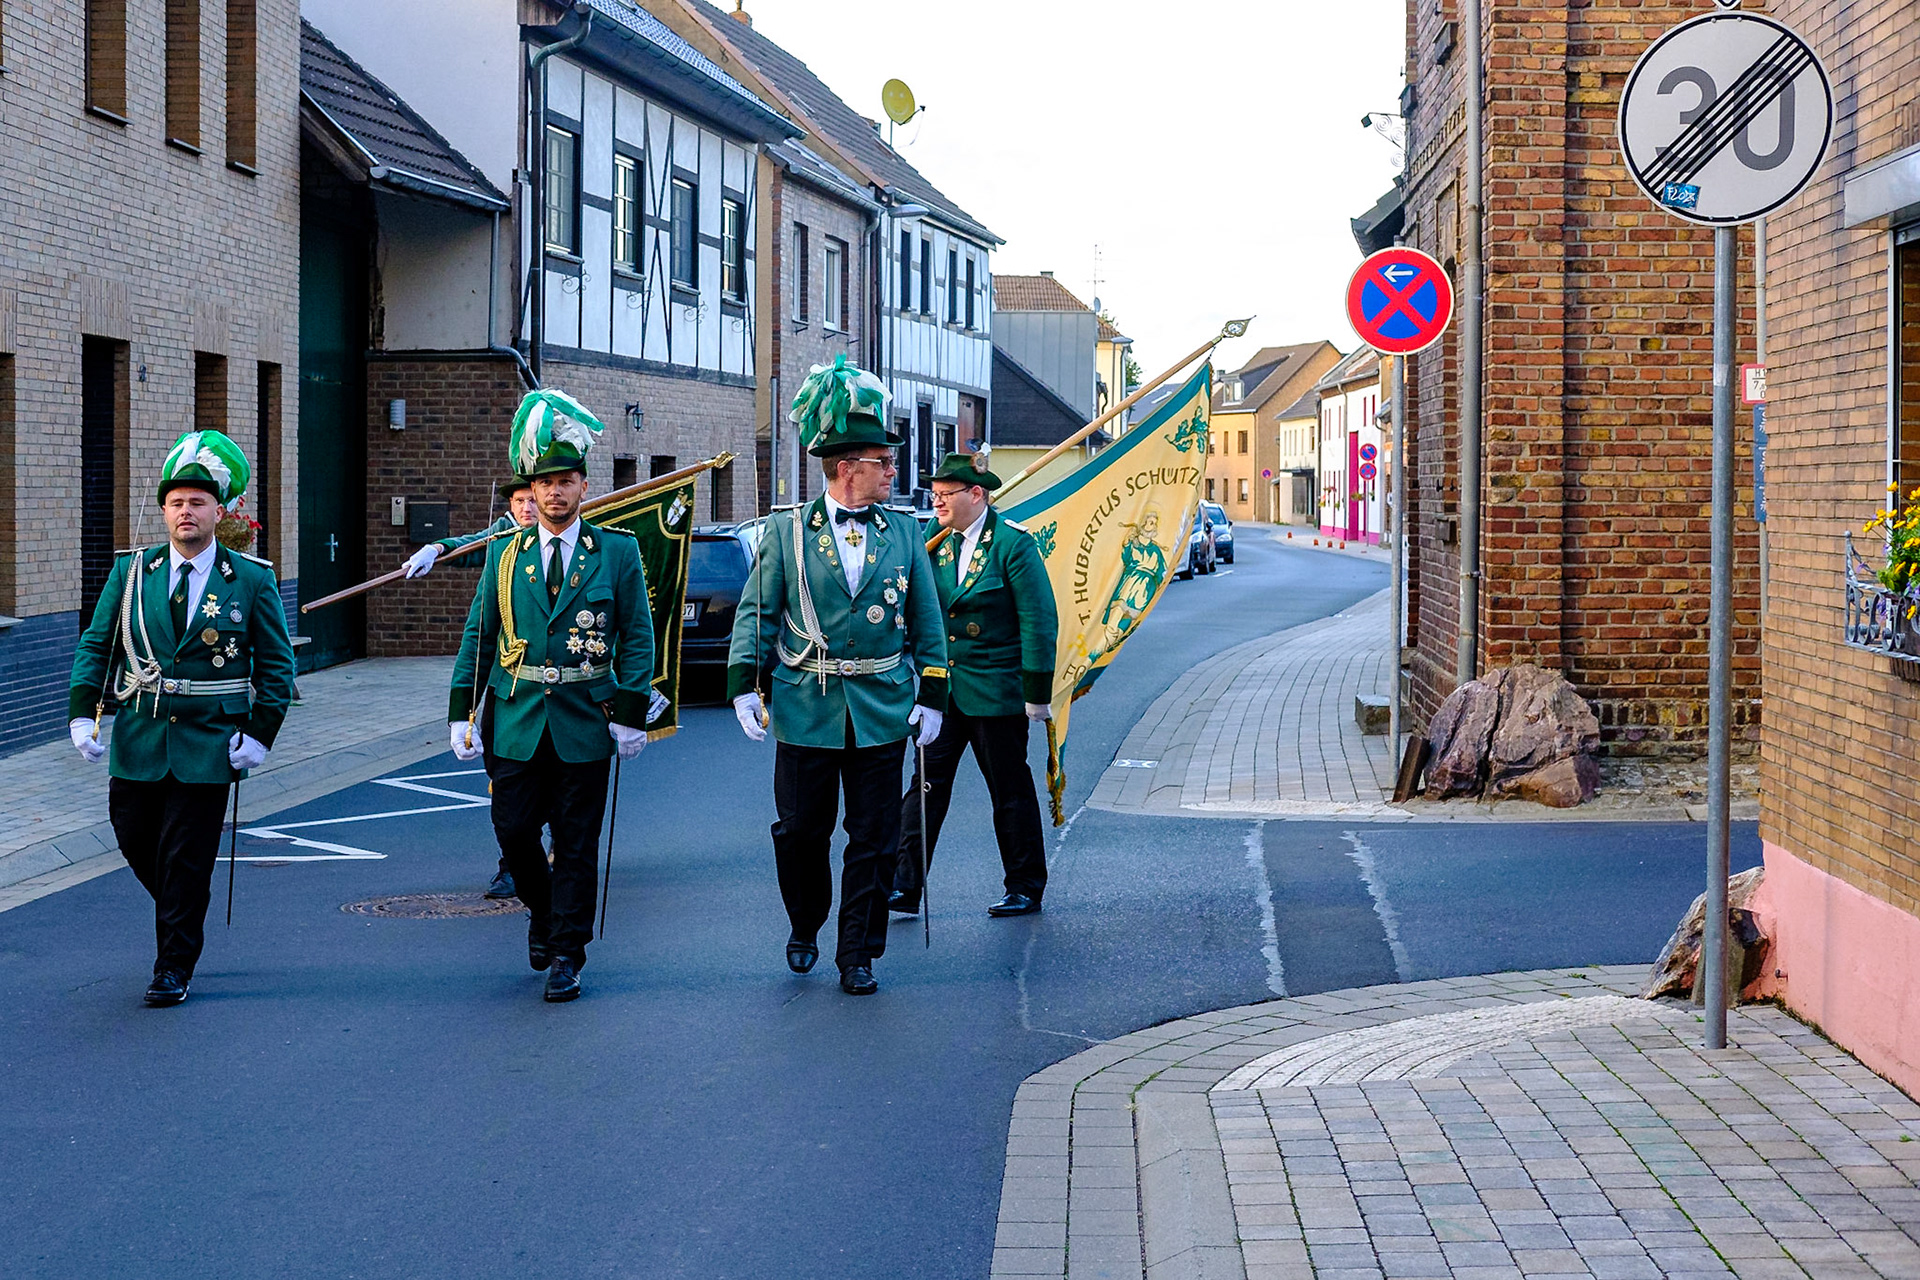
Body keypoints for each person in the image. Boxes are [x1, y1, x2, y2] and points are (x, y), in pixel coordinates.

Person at [728, 355, 947, 996]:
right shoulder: (786, 532)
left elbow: (927, 622)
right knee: (801, 833)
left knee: (874, 839)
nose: (893, 470)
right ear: (847, 468)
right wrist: (745, 683)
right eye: (884, 461)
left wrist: (931, 695)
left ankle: (859, 953)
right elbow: (757, 613)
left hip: (880, 706)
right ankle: (805, 922)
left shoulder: (904, 535)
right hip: (806, 705)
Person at [68, 430, 296, 1007]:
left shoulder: (250, 578)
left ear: (219, 511)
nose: (186, 512)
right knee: (134, 835)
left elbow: (277, 665)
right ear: (164, 510)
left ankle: (173, 966)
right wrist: (81, 713)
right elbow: (98, 646)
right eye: (176, 502)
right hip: (140, 735)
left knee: (187, 856)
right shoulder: (132, 572)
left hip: (209, 739)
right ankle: (182, 910)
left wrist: (261, 734)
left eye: (198, 502)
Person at [448, 390, 654, 1003]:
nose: (555, 493)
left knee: (577, 840)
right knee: (513, 831)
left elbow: (637, 637)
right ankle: (543, 913)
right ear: (530, 493)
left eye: (566, 482)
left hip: (586, 718)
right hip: (516, 716)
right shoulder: (504, 557)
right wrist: (461, 711)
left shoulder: (616, 552)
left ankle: (567, 950)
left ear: (584, 488)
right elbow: (479, 637)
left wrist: (632, 713)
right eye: (544, 484)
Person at [891, 450, 1058, 919]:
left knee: (1008, 791)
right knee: (924, 787)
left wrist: (1036, 695)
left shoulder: (1012, 545)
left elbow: (1038, 621)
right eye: (935, 494)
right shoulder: (934, 540)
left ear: (977, 494)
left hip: (995, 693)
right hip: (942, 692)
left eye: (946, 495)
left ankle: (1024, 885)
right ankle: (904, 885)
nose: (937, 502)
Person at [399, 475, 538, 901]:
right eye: (520, 501)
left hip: (553, 686)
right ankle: (513, 862)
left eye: (533, 500)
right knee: (505, 780)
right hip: (508, 682)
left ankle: (542, 856)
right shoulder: (502, 538)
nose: (529, 508)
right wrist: (436, 549)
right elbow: (467, 545)